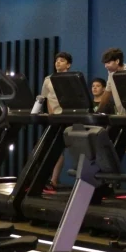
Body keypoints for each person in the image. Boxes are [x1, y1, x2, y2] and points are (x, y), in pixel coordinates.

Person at [40, 51, 73, 187]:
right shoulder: (48, 79)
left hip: (68, 117)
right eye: (57, 60)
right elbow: (46, 97)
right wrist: (51, 114)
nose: (58, 62)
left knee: (71, 148)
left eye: (62, 60)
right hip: (54, 118)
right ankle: (53, 180)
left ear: (68, 65)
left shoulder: (72, 79)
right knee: (54, 149)